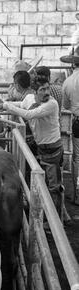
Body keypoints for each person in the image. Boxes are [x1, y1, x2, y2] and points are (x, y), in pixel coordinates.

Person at [0, 76, 64, 216]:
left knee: (53, 187)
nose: (47, 92)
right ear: (35, 92)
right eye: (42, 89)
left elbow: (29, 114)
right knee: (46, 184)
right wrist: (4, 103)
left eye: (48, 88)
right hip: (44, 148)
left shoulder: (51, 104)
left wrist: (5, 105)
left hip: (52, 149)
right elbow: (21, 104)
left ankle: (55, 221)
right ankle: (50, 217)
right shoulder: (30, 99)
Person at [61, 47, 79, 205]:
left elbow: (66, 105)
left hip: (78, 120)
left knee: (77, 158)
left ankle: (77, 194)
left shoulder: (68, 82)